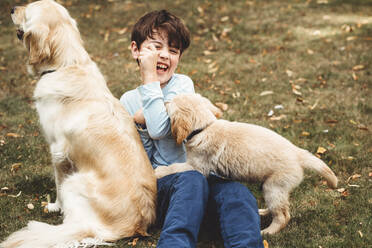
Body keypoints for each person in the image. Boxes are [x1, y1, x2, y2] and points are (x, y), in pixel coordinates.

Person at [120, 10, 264, 248]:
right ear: (136, 50)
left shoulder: (183, 85)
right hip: (165, 187)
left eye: (173, 51)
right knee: (190, 181)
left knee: (237, 193)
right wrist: (140, 122)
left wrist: (149, 85)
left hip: (203, 173)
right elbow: (145, 149)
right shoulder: (127, 101)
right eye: (156, 47)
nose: (164, 55)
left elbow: (160, 127)